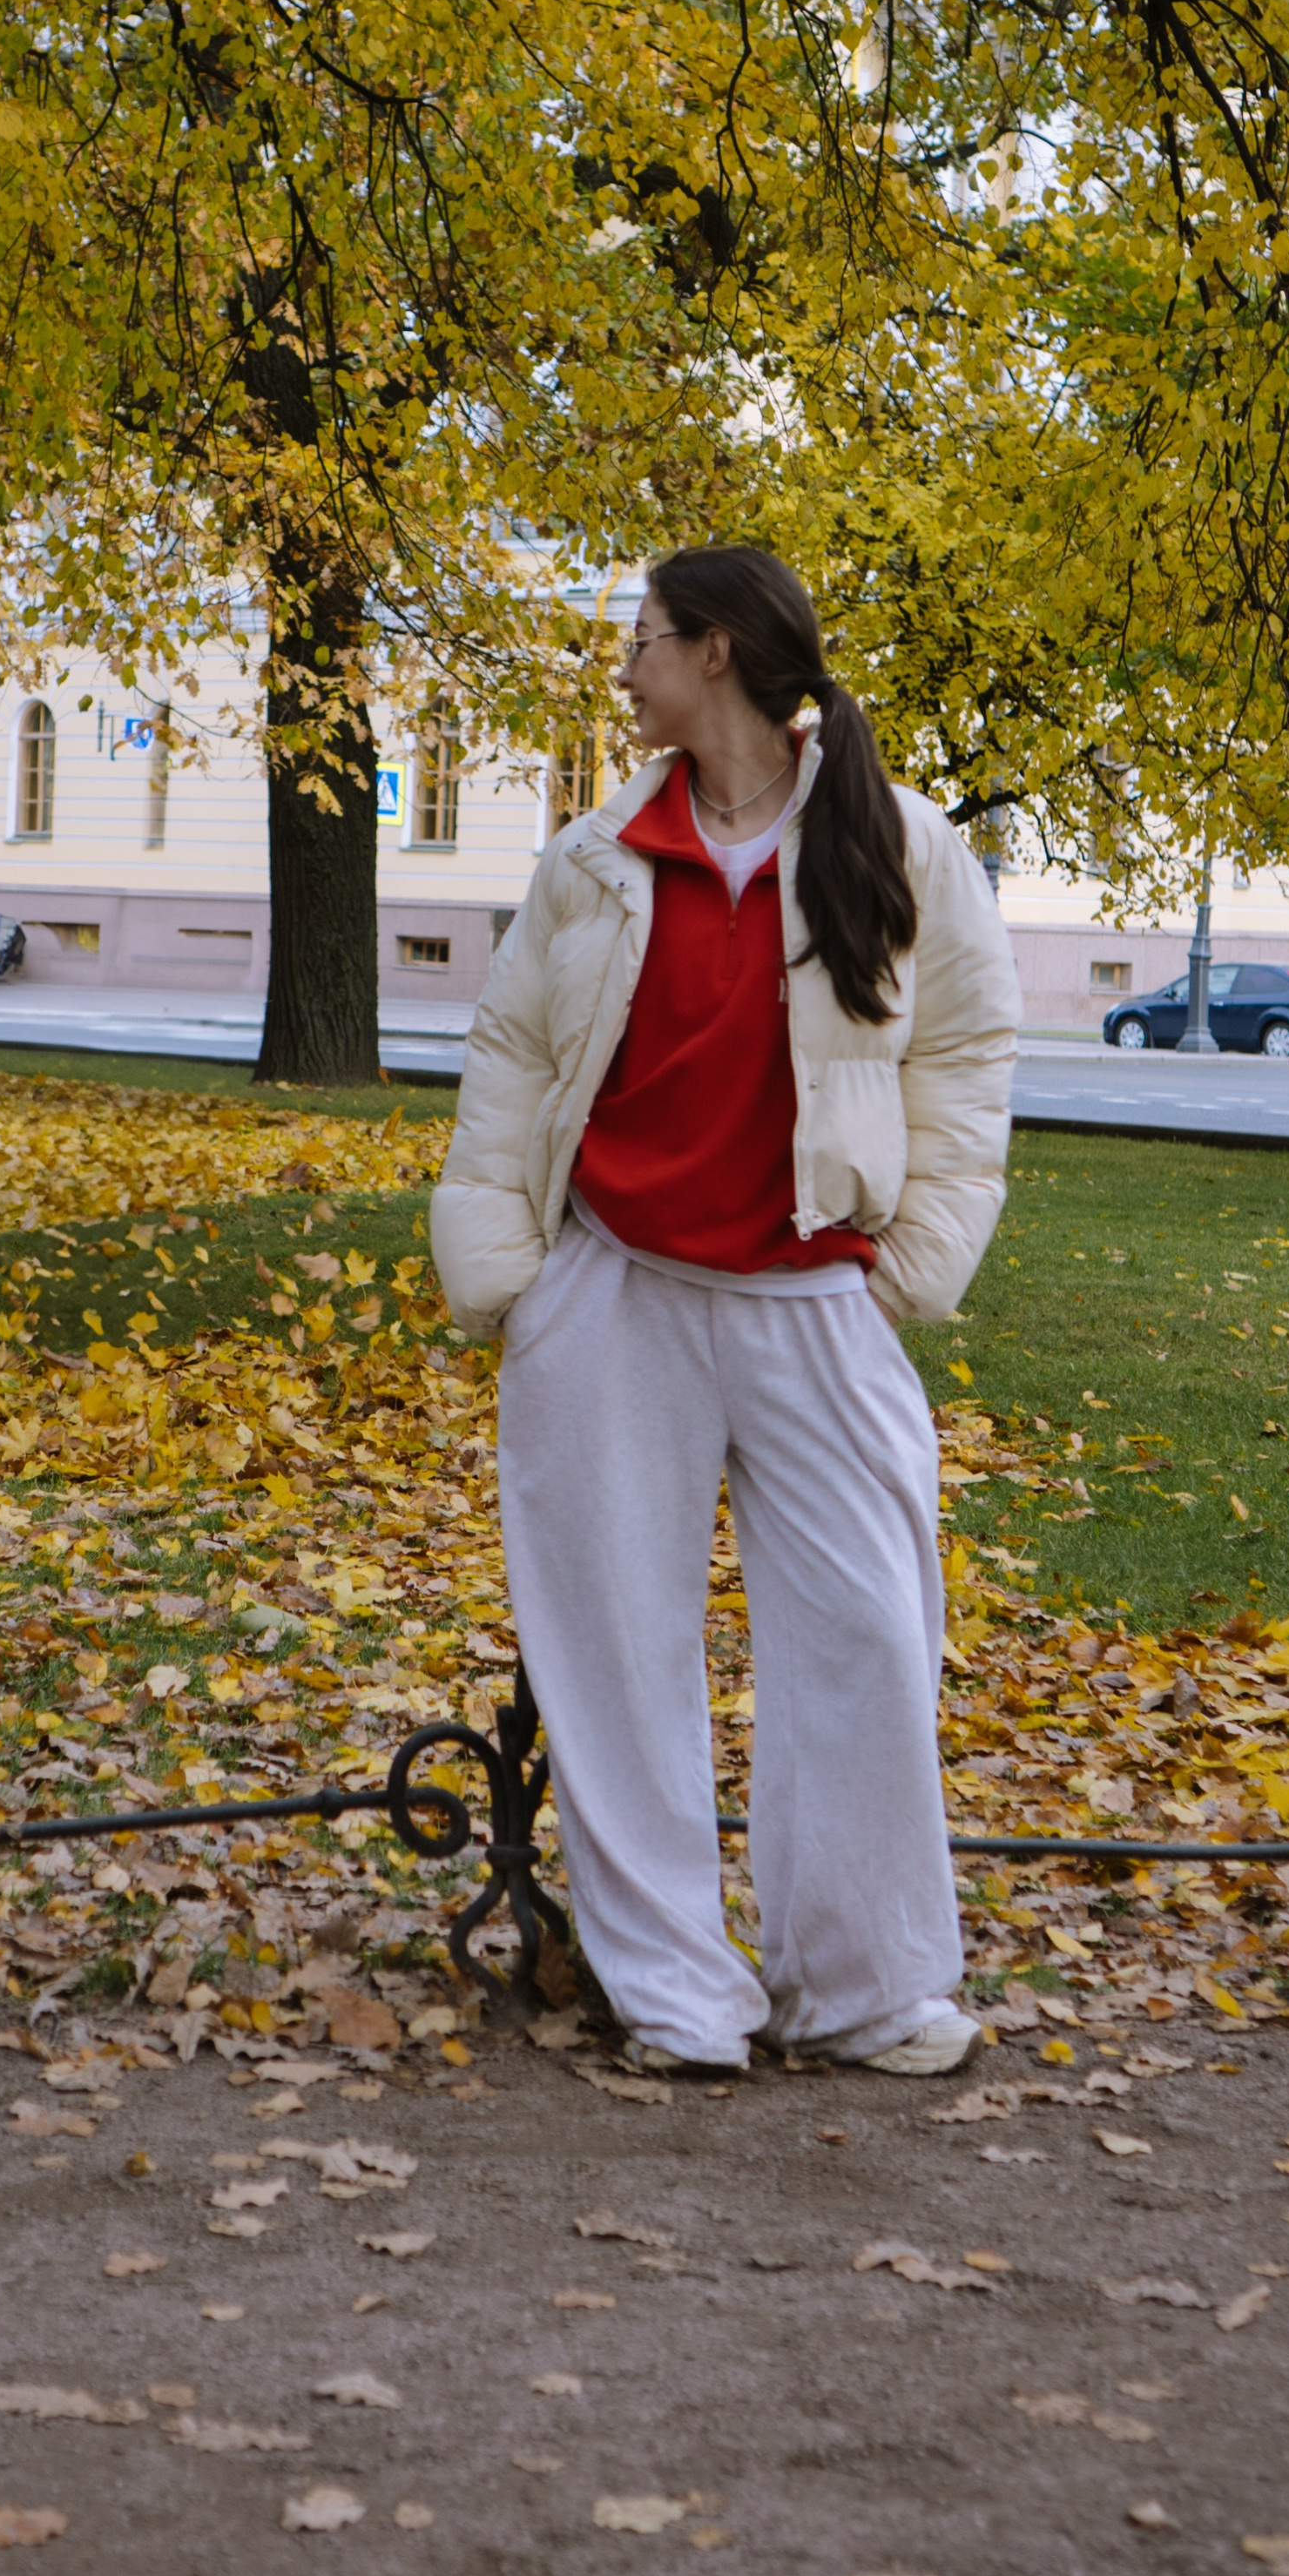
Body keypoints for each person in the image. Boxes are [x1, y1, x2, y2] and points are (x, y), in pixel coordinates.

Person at [429, 546, 1019, 2075]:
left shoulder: (898, 841)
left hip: (816, 1296)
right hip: (614, 1293)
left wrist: (912, 1261)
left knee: (869, 1638)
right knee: (617, 1656)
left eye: (643, 641)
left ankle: (867, 1991)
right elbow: (512, 1056)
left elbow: (965, 1058)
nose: (624, 670)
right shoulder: (595, 854)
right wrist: (511, 1280)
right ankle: (680, 1999)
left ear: (717, 653)